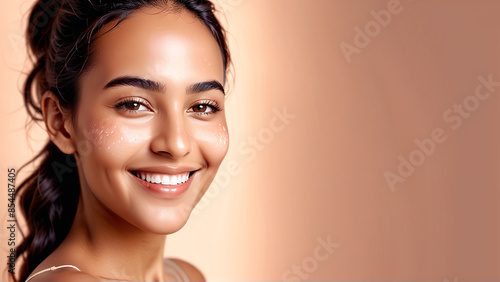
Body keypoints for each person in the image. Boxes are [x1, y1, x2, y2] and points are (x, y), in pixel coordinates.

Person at [13, 0, 231, 281]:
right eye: (134, 105)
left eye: (202, 107)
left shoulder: (186, 275)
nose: (177, 144)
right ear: (60, 124)